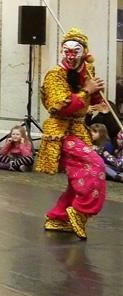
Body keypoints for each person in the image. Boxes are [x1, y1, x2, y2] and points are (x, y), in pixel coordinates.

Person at [36, 28, 106, 239]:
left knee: (78, 177)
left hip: (78, 130)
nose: (71, 55)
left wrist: (95, 93)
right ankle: (80, 211)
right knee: (96, 165)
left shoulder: (86, 70)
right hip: (61, 131)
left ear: (85, 53)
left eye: (76, 51)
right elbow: (62, 107)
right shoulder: (54, 75)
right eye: (67, 50)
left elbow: (91, 101)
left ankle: (58, 218)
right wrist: (86, 91)